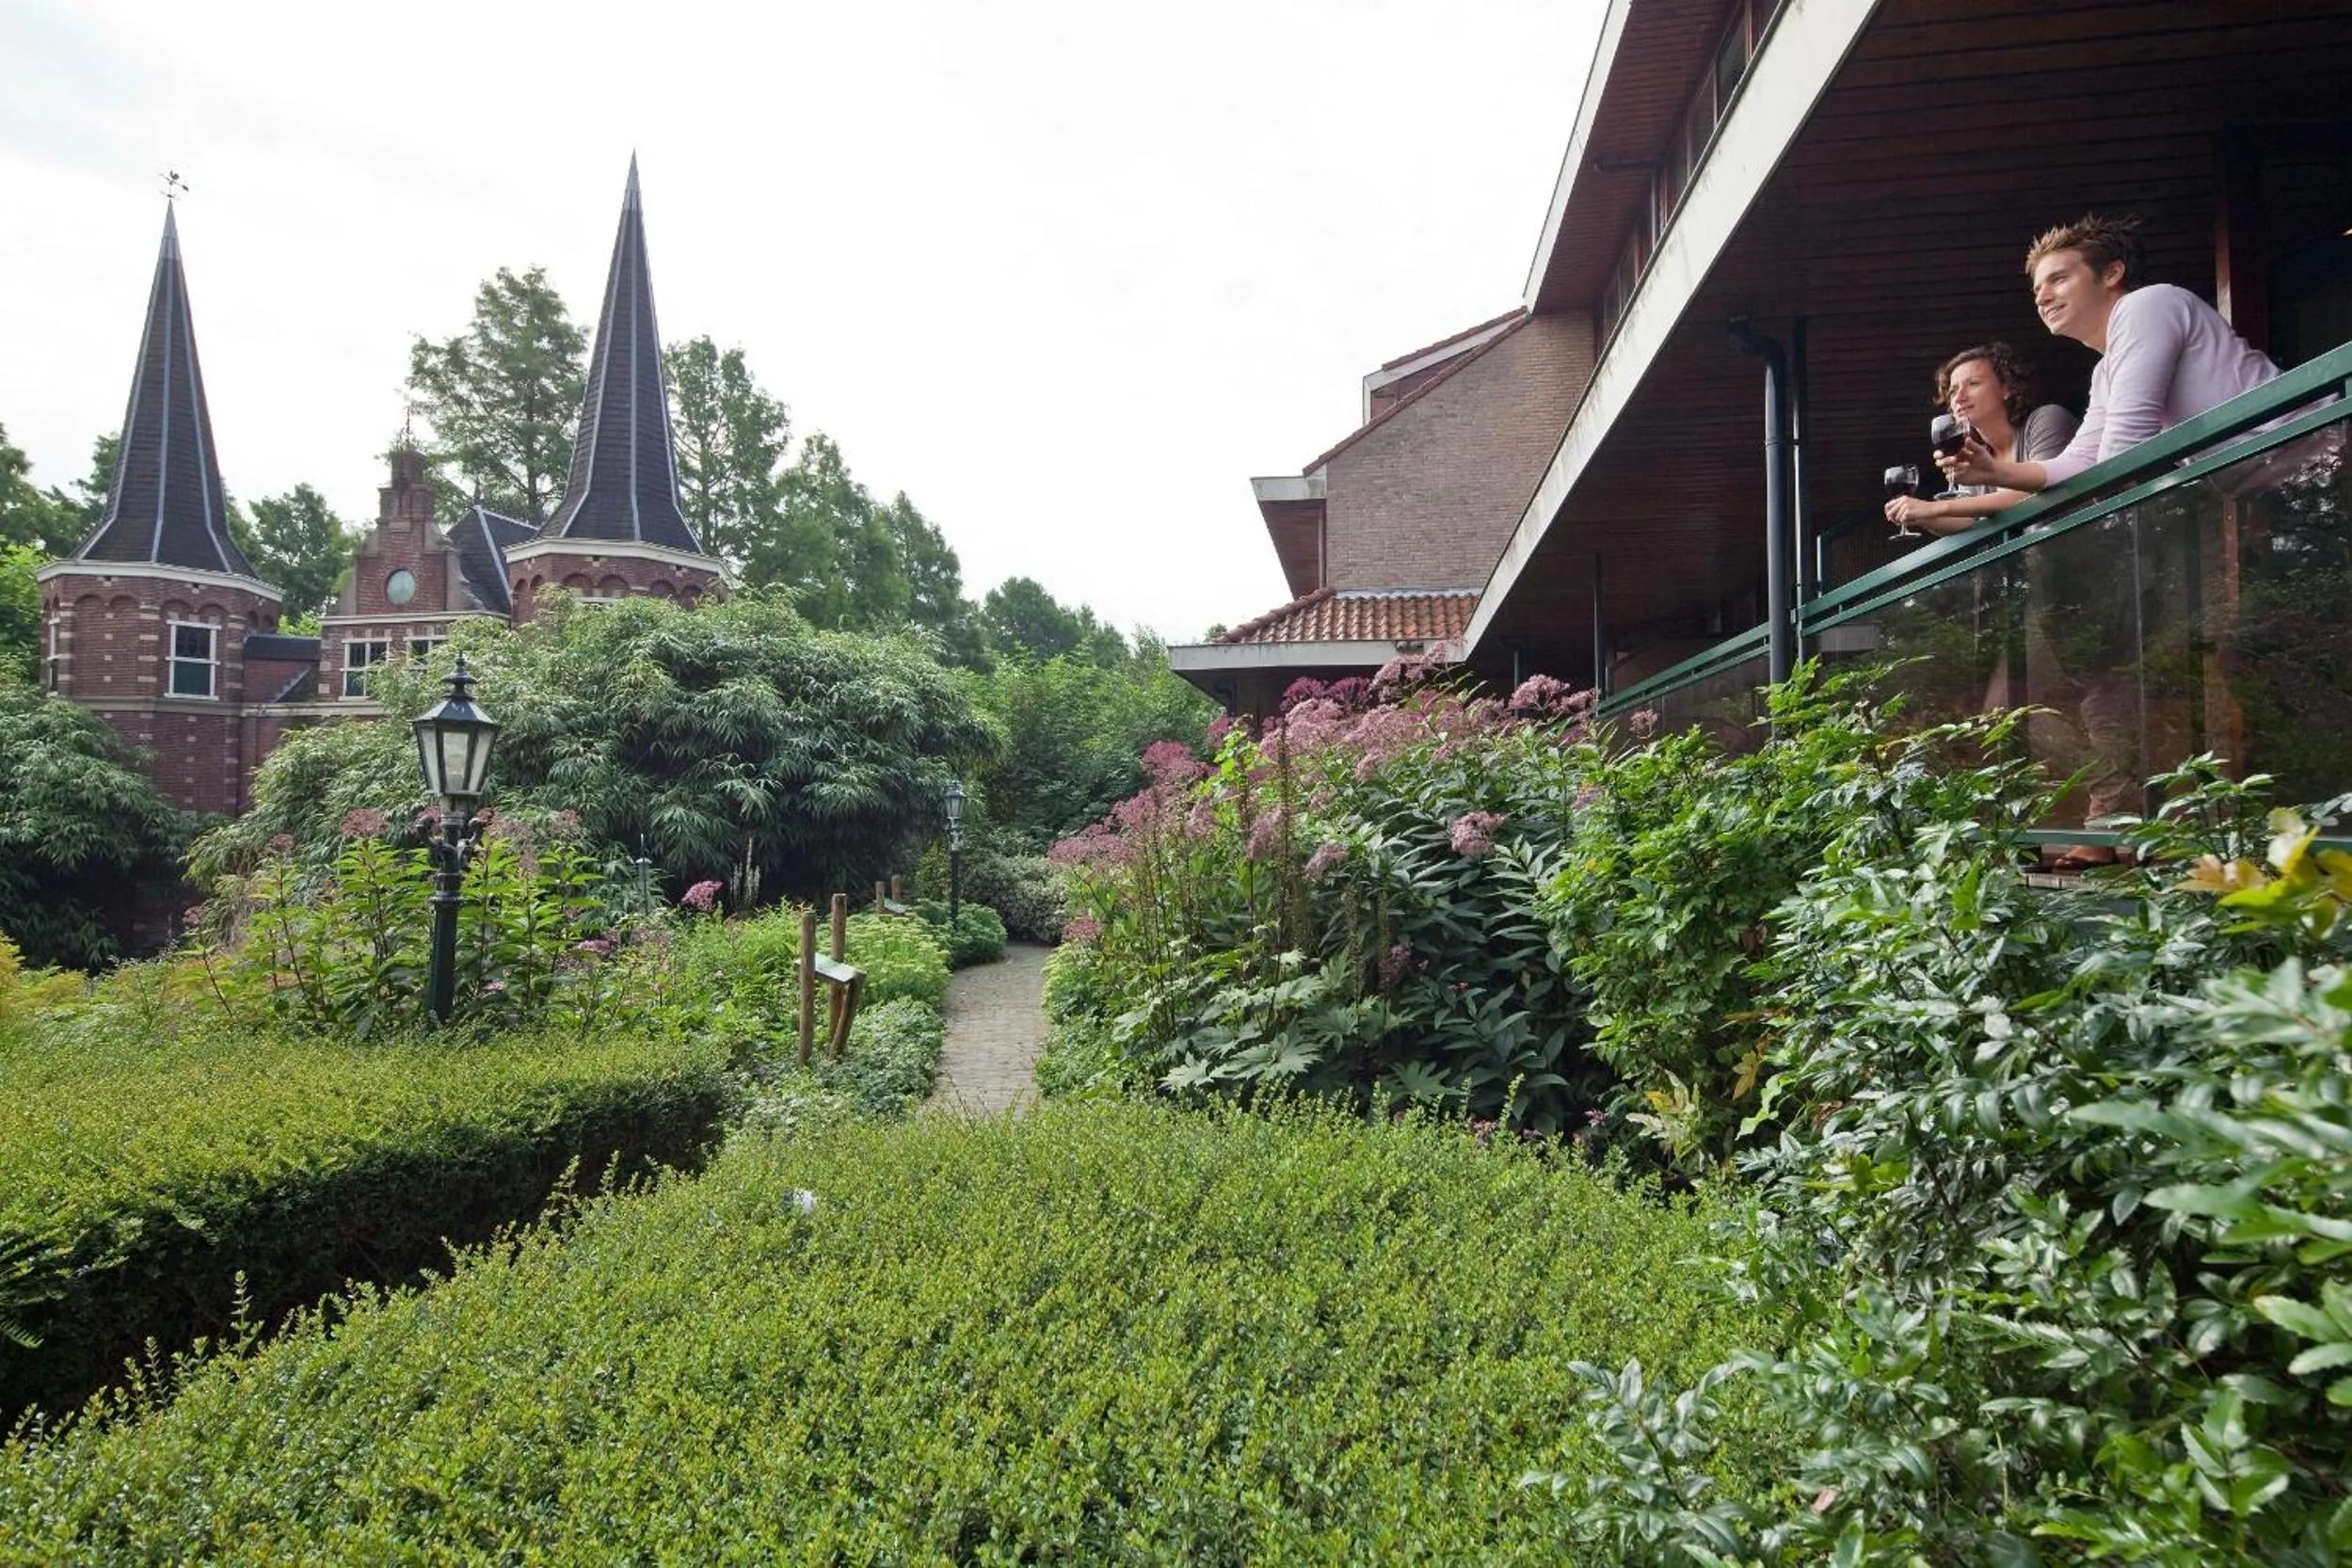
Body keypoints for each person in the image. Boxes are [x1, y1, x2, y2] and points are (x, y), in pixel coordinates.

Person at [1938, 214, 2279, 494]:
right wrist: (1995, 472)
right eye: (2037, 289)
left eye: (2058, 279)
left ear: (2112, 273)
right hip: (2275, 485)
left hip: (2315, 458)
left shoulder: (2147, 304)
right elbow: (2082, 461)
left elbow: (2124, 446)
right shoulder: (2105, 373)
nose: (2041, 298)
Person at [1885, 343, 2077, 536]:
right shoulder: (1974, 454)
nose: (1959, 397)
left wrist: (1935, 508)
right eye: (1952, 391)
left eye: (1973, 383)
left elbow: (2041, 486)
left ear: (2007, 388)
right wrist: (1919, 514)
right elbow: (1965, 518)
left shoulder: (2047, 419)